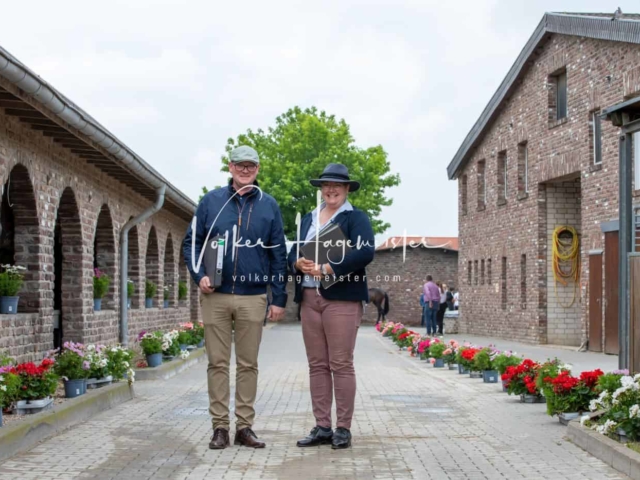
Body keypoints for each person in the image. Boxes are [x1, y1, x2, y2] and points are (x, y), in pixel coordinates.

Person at [183, 145, 288, 450]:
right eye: (240, 165)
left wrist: (278, 297)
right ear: (230, 167)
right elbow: (192, 242)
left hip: (253, 296)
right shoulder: (211, 202)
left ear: (258, 168)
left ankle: (244, 427)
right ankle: (219, 428)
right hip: (215, 296)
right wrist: (198, 274)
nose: (245, 169)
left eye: (251, 165)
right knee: (217, 363)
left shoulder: (269, 206)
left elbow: (278, 254)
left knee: (248, 364)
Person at [288, 163, 375, 450]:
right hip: (310, 300)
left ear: (347, 188)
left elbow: (365, 251)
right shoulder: (309, 218)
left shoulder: (355, 218)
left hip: (341, 299)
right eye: (326, 185)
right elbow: (294, 251)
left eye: (337, 185)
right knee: (317, 365)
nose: (331, 189)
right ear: (321, 188)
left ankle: (343, 429)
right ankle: (322, 426)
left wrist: (328, 268)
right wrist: (297, 263)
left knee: (341, 364)